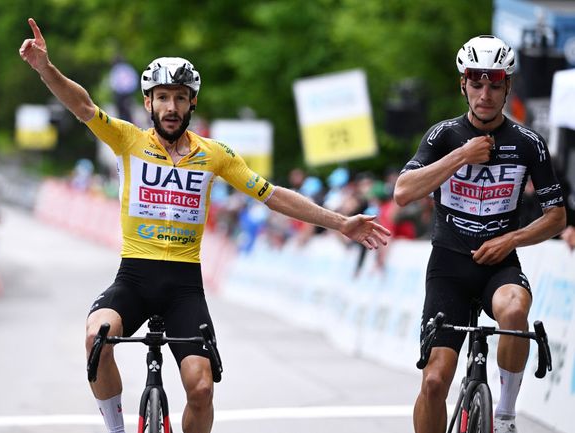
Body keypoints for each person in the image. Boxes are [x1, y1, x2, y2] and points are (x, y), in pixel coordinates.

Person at [19, 18, 391, 433]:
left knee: (201, 390)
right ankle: (117, 428)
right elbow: (83, 106)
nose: (172, 107)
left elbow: (273, 195)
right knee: (97, 337)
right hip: (135, 277)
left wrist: (341, 222)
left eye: (180, 98)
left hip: (183, 286)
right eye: (163, 98)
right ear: (148, 103)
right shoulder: (128, 140)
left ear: (192, 103)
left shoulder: (216, 155)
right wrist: (45, 69)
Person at [393, 35, 566, 433]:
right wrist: (462, 156)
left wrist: (511, 240)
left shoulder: (529, 144)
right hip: (449, 267)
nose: (485, 93)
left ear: (508, 86)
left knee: (516, 310)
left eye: (494, 83)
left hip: (500, 264)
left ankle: (504, 416)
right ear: (463, 85)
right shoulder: (443, 137)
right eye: (476, 83)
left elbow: (556, 217)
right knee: (435, 381)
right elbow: (403, 192)